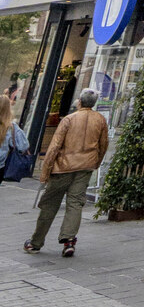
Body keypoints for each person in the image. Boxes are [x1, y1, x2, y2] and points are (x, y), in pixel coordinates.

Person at [25, 88, 108, 256]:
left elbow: (54, 147)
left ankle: (36, 242)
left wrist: (45, 172)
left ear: (80, 102)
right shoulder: (100, 120)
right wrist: (95, 163)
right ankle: (69, 241)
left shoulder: (69, 119)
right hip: (85, 167)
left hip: (63, 167)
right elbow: (103, 145)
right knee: (75, 203)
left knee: (50, 204)